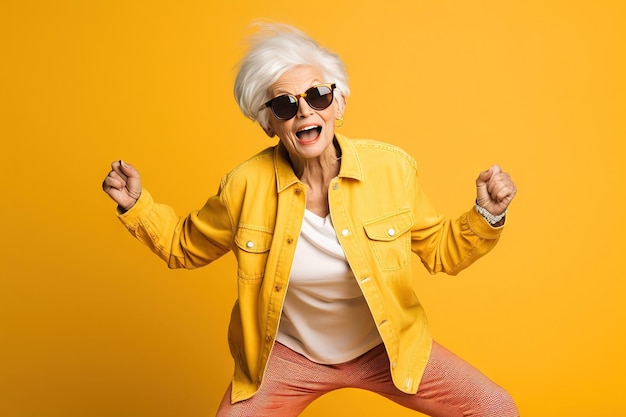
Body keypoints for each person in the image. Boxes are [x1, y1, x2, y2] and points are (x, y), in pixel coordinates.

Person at [102, 23, 519, 417]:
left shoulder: (391, 170)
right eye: (284, 104)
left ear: (338, 103)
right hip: (288, 356)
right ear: (269, 124)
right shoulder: (244, 186)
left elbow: (441, 252)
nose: (304, 111)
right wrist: (136, 205)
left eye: (317, 95)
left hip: (385, 345)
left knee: (495, 407)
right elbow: (183, 247)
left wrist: (488, 214)